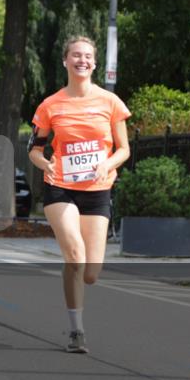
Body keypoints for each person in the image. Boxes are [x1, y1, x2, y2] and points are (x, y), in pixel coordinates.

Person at [27, 35, 130, 354]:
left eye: (87, 56)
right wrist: (44, 162)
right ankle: (76, 331)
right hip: (60, 188)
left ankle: (77, 288)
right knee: (74, 254)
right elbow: (34, 149)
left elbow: (124, 149)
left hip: (97, 190)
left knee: (91, 273)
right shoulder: (51, 104)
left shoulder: (110, 102)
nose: (82, 60)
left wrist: (107, 163)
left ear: (95, 63)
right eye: (75, 55)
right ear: (65, 61)